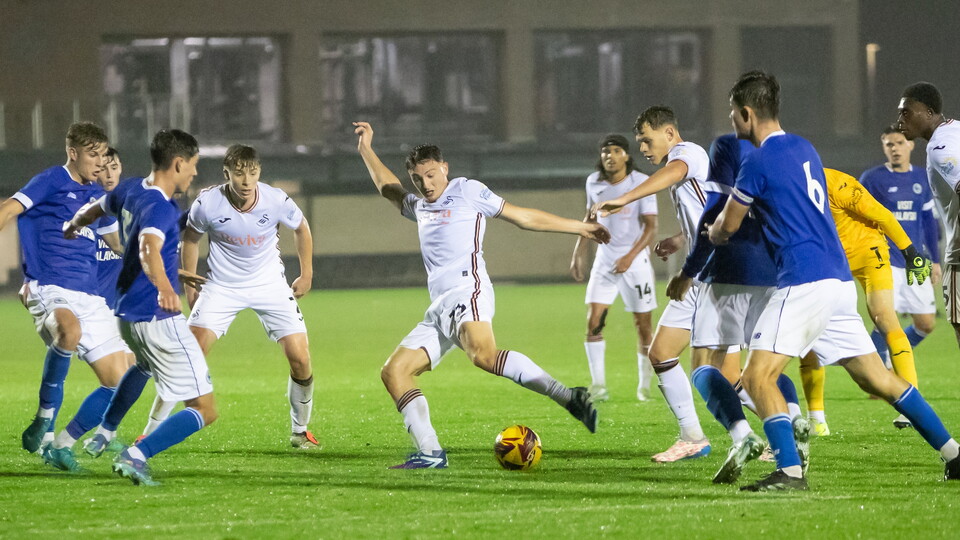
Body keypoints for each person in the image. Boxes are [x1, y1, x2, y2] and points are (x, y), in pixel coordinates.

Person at [708, 70, 959, 491]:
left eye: (734, 114)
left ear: (747, 113)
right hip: (838, 281)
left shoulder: (756, 161)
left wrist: (712, 231)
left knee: (756, 377)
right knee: (876, 378)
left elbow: (727, 227)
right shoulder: (805, 148)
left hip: (803, 280)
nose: (732, 123)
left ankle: (789, 471)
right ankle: (954, 452)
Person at [354, 121, 606, 469]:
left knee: (484, 356)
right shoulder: (420, 206)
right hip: (440, 308)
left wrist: (581, 227)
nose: (426, 185)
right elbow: (387, 187)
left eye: (431, 175)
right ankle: (430, 454)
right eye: (418, 179)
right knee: (394, 371)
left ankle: (568, 396)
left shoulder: (467, 190)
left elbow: (523, 217)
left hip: (467, 289)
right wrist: (366, 148)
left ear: (444, 168)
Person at [130, 144, 318, 449]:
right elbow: (190, 239)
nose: (247, 181)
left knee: (300, 358)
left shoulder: (274, 199)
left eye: (253, 173)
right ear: (226, 173)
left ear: (260, 172)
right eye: (239, 174)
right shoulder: (208, 203)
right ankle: (150, 430)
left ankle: (300, 431)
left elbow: (302, 227)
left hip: (269, 285)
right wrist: (190, 285)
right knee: (188, 356)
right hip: (221, 287)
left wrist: (306, 272)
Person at [66, 129, 217, 485]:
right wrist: (166, 287)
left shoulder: (132, 188)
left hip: (126, 316)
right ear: (178, 164)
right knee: (205, 409)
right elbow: (149, 247)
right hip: (156, 315)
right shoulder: (163, 208)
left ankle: (105, 430)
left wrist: (73, 225)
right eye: (193, 166)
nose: (194, 173)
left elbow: (94, 209)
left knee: (143, 367)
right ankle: (136, 455)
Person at [592, 106, 737, 463]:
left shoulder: (687, 154)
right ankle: (693, 437)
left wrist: (626, 197)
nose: (642, 147)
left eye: (646, 139)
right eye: (639, 141)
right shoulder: (687, 163)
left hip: (720, 276)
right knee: (662, 354)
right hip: (700, 272)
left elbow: (674, 173)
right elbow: (710, 217)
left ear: (670, 133)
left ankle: (783, 429)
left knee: (729, 374)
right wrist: (679, 238)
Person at [664, 133, 804, 484]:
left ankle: (742, 437)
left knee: (703, 365)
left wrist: (688, 271)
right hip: (775, 272)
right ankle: (795, 419)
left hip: (728, 271)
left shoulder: (728, 145)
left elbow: (715, 213)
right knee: (764, 367)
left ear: (745, 112)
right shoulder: (793, 148)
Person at [0, 122, 130, 472]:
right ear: (73, 153)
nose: (99, 163)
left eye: (103, 155)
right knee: (68, 332)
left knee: (121, 381)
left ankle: (60, 444)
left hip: (89, 295)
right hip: (50, 285)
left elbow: (116, 244)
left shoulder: (99, 198)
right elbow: (9, 209)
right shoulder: (51, 180)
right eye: (93, 155)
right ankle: (43, 419)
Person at [798, 168, 930, 435]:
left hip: (869, 253)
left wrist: (910, 252)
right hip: (830, 261)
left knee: (883, 317)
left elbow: (881, 214)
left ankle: (912, 398)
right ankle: (817, 420)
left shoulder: (837, 182)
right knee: (809, 332)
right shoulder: (788, 188)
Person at [570, 134, 657, 402]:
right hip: (605, 262)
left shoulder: (641, 183)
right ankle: (599, 388)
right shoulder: (593, 182)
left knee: (643, 327)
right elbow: (589, 219)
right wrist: (578, 252)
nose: (610, 155)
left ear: (627, 156)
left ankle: (645, 388)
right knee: (594, 321)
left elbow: (651, 227)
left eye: (616, 150)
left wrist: (630, 256)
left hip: (636, 264)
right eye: (606, 151)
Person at [861, 126, 941, 357]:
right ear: (884, 147)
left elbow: (928, 221)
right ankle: (878, 371)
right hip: (884, 260)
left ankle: (890, 356)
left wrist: (935, 261)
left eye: (899, 143)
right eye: (889, 144)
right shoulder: (873, 178)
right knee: (884, 320)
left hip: (915, 262)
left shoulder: (922, 177)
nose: (895, 148)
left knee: (925, 323)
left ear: (911, 145)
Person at [896, 82, 960, 349]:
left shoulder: (940, 147)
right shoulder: (955, 130)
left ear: (930, 112)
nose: (900, 119)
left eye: (907, 112)